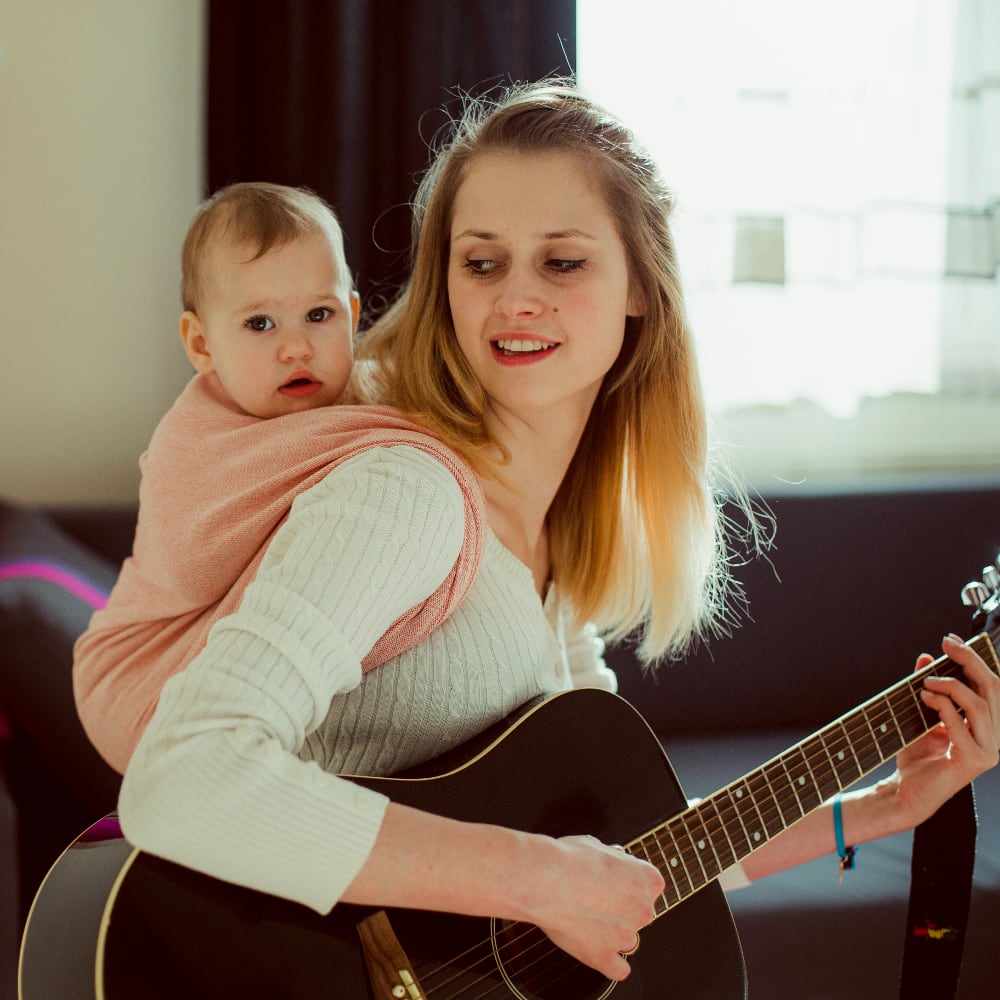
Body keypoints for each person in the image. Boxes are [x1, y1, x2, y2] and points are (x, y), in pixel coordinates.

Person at [114, 81, 1000, 984]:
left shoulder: (557, 549)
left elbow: (623, 863)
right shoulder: (407, 495)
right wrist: (539, 878)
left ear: (640, 291)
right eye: (482, 263)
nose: (516, 300)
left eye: (563, 263)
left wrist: (881, 807)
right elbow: (180, 773)